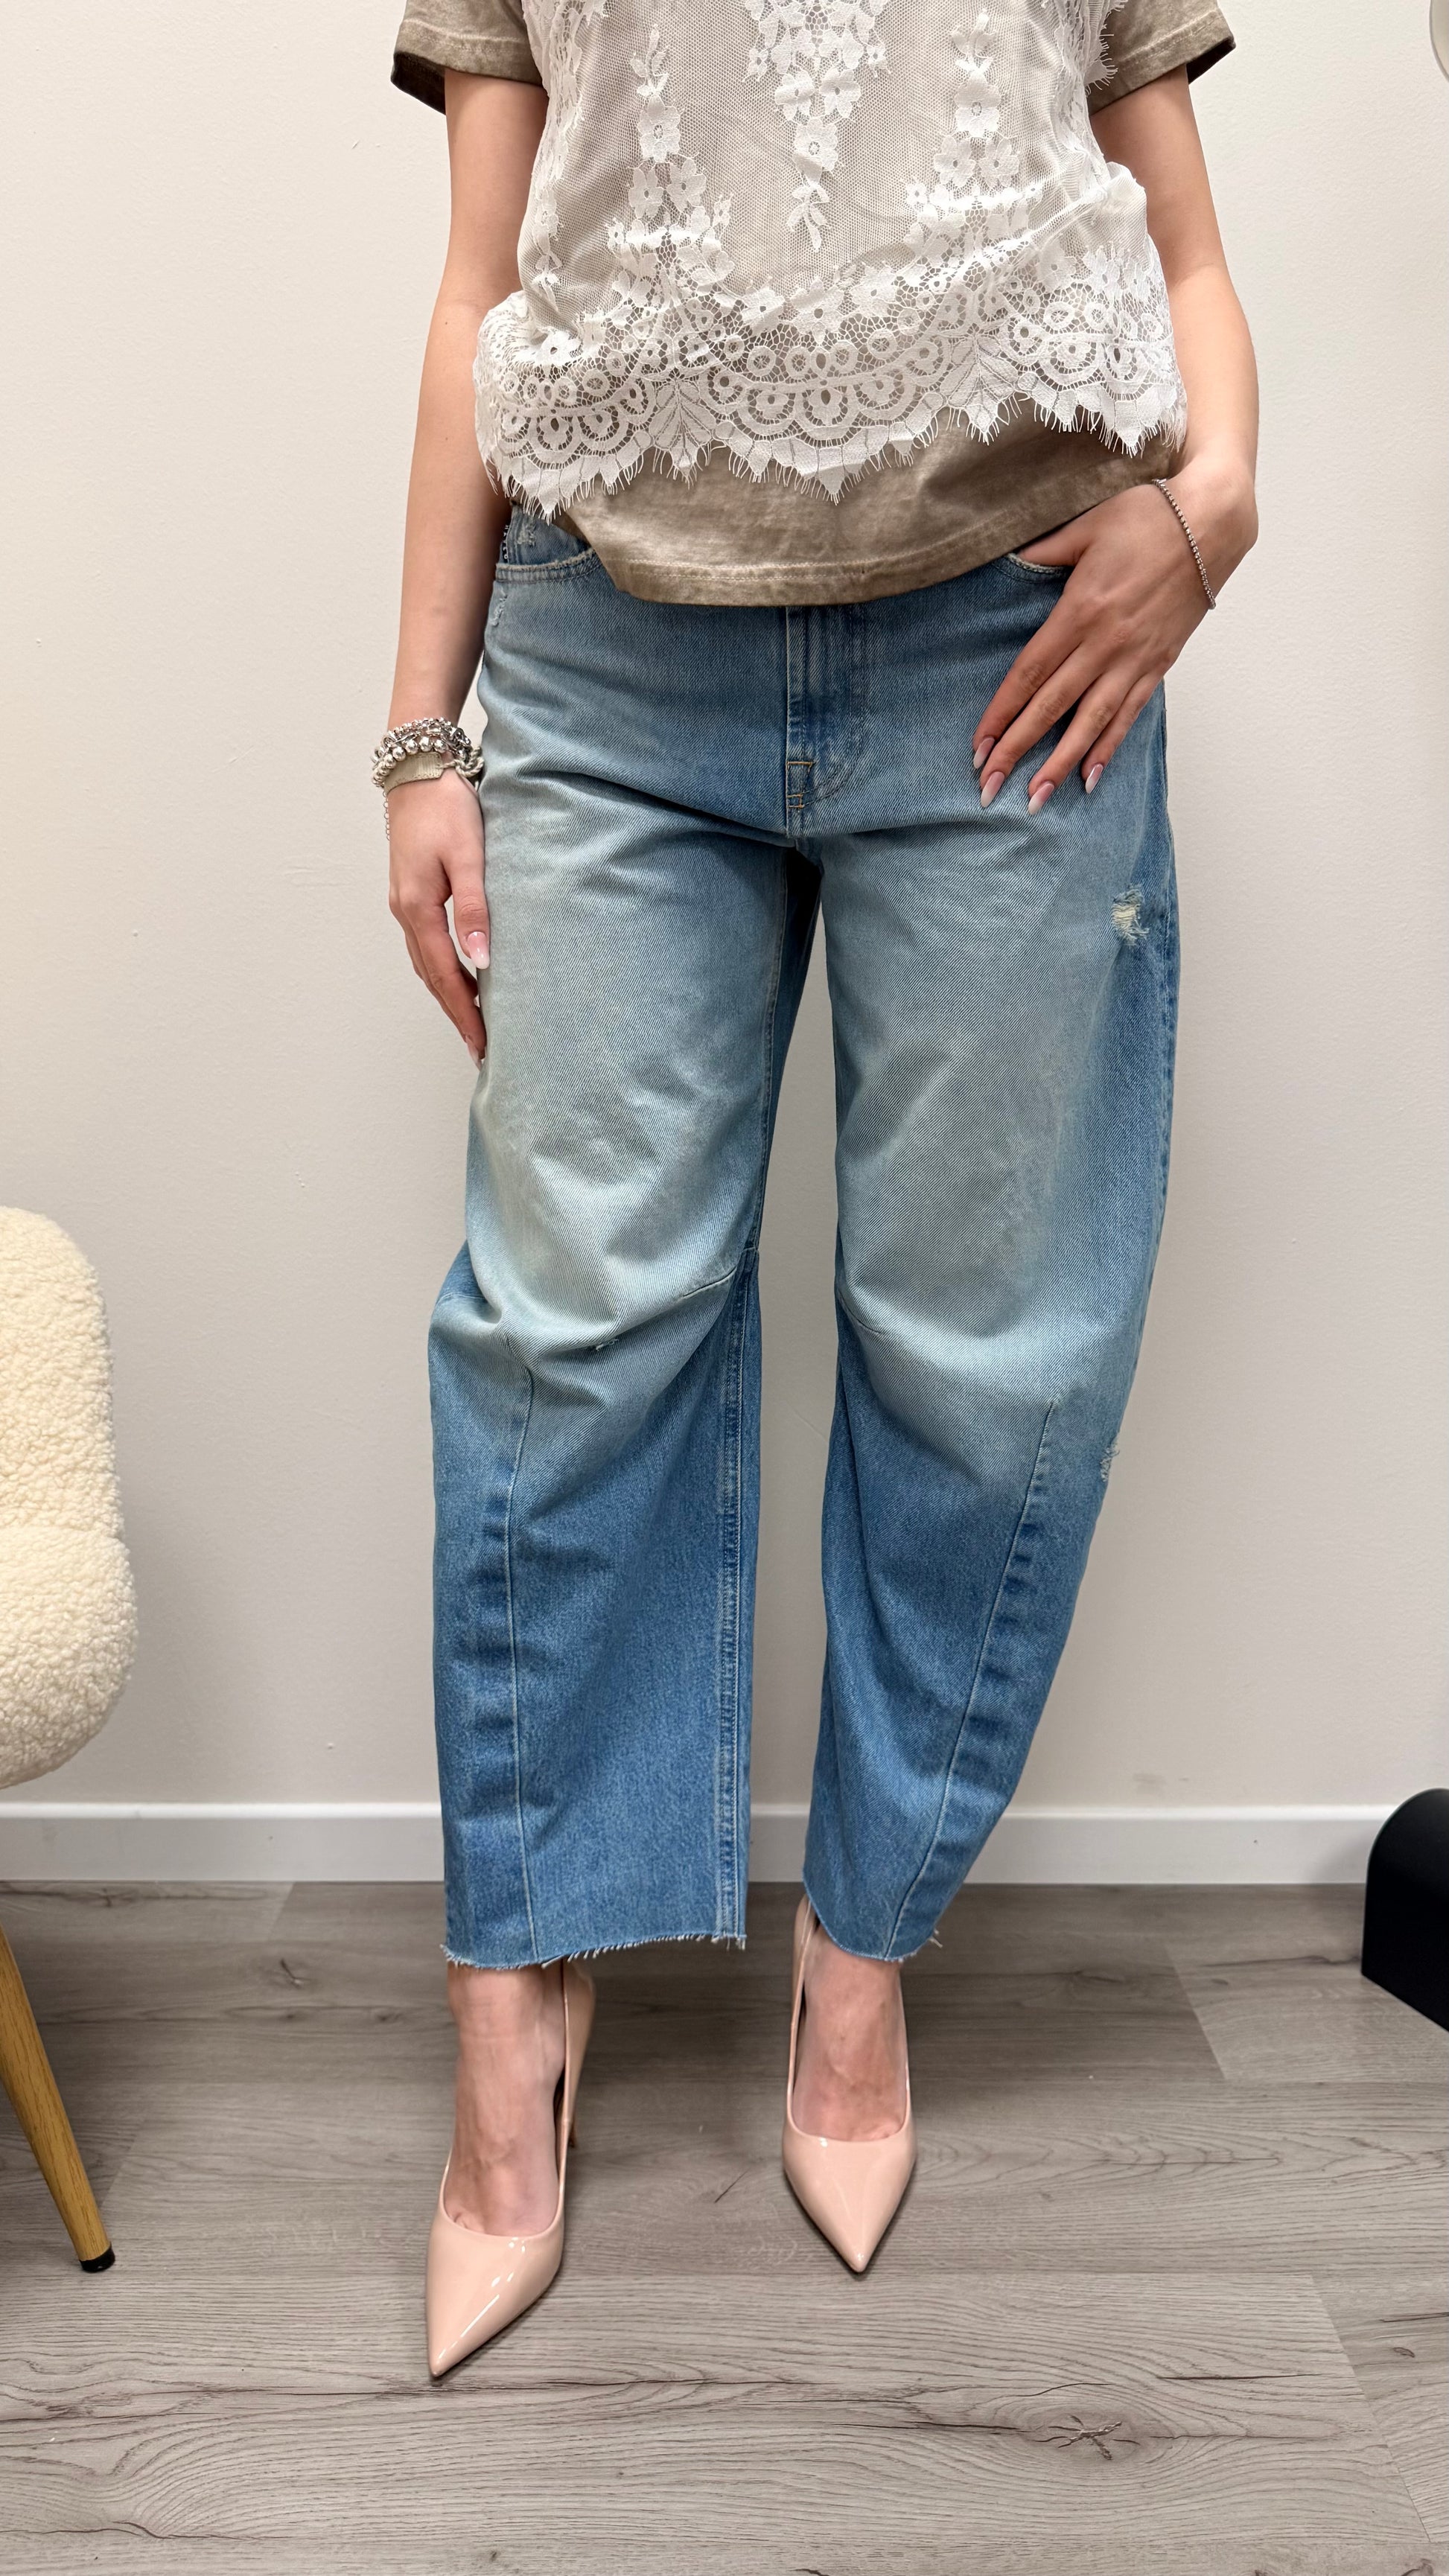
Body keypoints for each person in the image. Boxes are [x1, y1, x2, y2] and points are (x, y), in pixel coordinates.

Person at [379, 0, 1257, 2375]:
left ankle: (855, 1967)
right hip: (602, 650)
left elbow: (1180, 243)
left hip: (1015, 631)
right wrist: (423, 730)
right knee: (563, 1328)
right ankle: (511, 2016)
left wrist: (1212, 504)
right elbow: (480, 286)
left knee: (987, 1334)